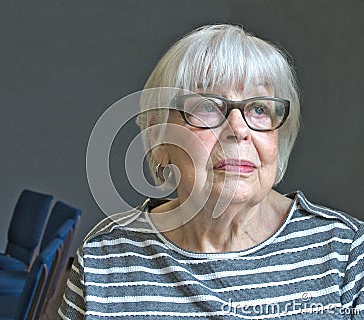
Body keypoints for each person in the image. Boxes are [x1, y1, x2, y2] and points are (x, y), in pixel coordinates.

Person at [59, 24, 364, 319]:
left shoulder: (346, 251)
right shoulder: (105, 256)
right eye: (207, 106)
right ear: (158, 139)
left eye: (259, 109)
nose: (238, 129)